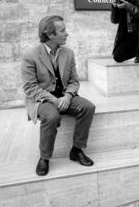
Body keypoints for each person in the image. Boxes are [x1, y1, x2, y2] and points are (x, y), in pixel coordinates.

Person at [21, 15, 95, 176]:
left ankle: (76, 150)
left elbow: (74, 81)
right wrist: (54, 100)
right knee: (52, 116)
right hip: (42, 99)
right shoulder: (30, 55)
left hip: (64, 95)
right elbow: (30, 88)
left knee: (88, 107)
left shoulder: (68, 53)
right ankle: (44, 158)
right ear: (49, 34)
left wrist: (68, 96)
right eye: (62, 31)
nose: (66, 33)